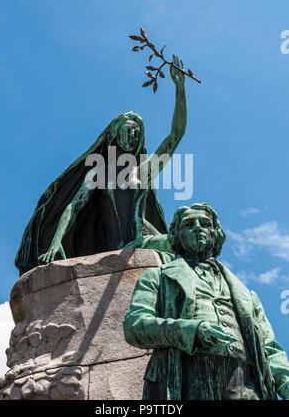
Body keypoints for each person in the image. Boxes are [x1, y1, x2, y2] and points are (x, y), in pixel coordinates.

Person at [15, 55, 187, 275]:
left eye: (138, 133)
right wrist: (55, 242)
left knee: (188, 242)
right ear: (115, 134)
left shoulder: (144, 171)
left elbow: (176, 135)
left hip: (145, 241)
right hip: (118, 248)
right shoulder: (99, 172)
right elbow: (73, 207)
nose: (134, 135)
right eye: (128, 129)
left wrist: (180, 89)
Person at [123, 203, 289, 400]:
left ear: (216, 232)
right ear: (175, 235)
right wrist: (191, 331)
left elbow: (269, 347)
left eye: (205, 223)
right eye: (188, 224)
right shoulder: (157, 277)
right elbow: (134, 326)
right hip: (187, 375)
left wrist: (285, 383)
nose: (198, 228)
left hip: (246, 381)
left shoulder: (247, 295)